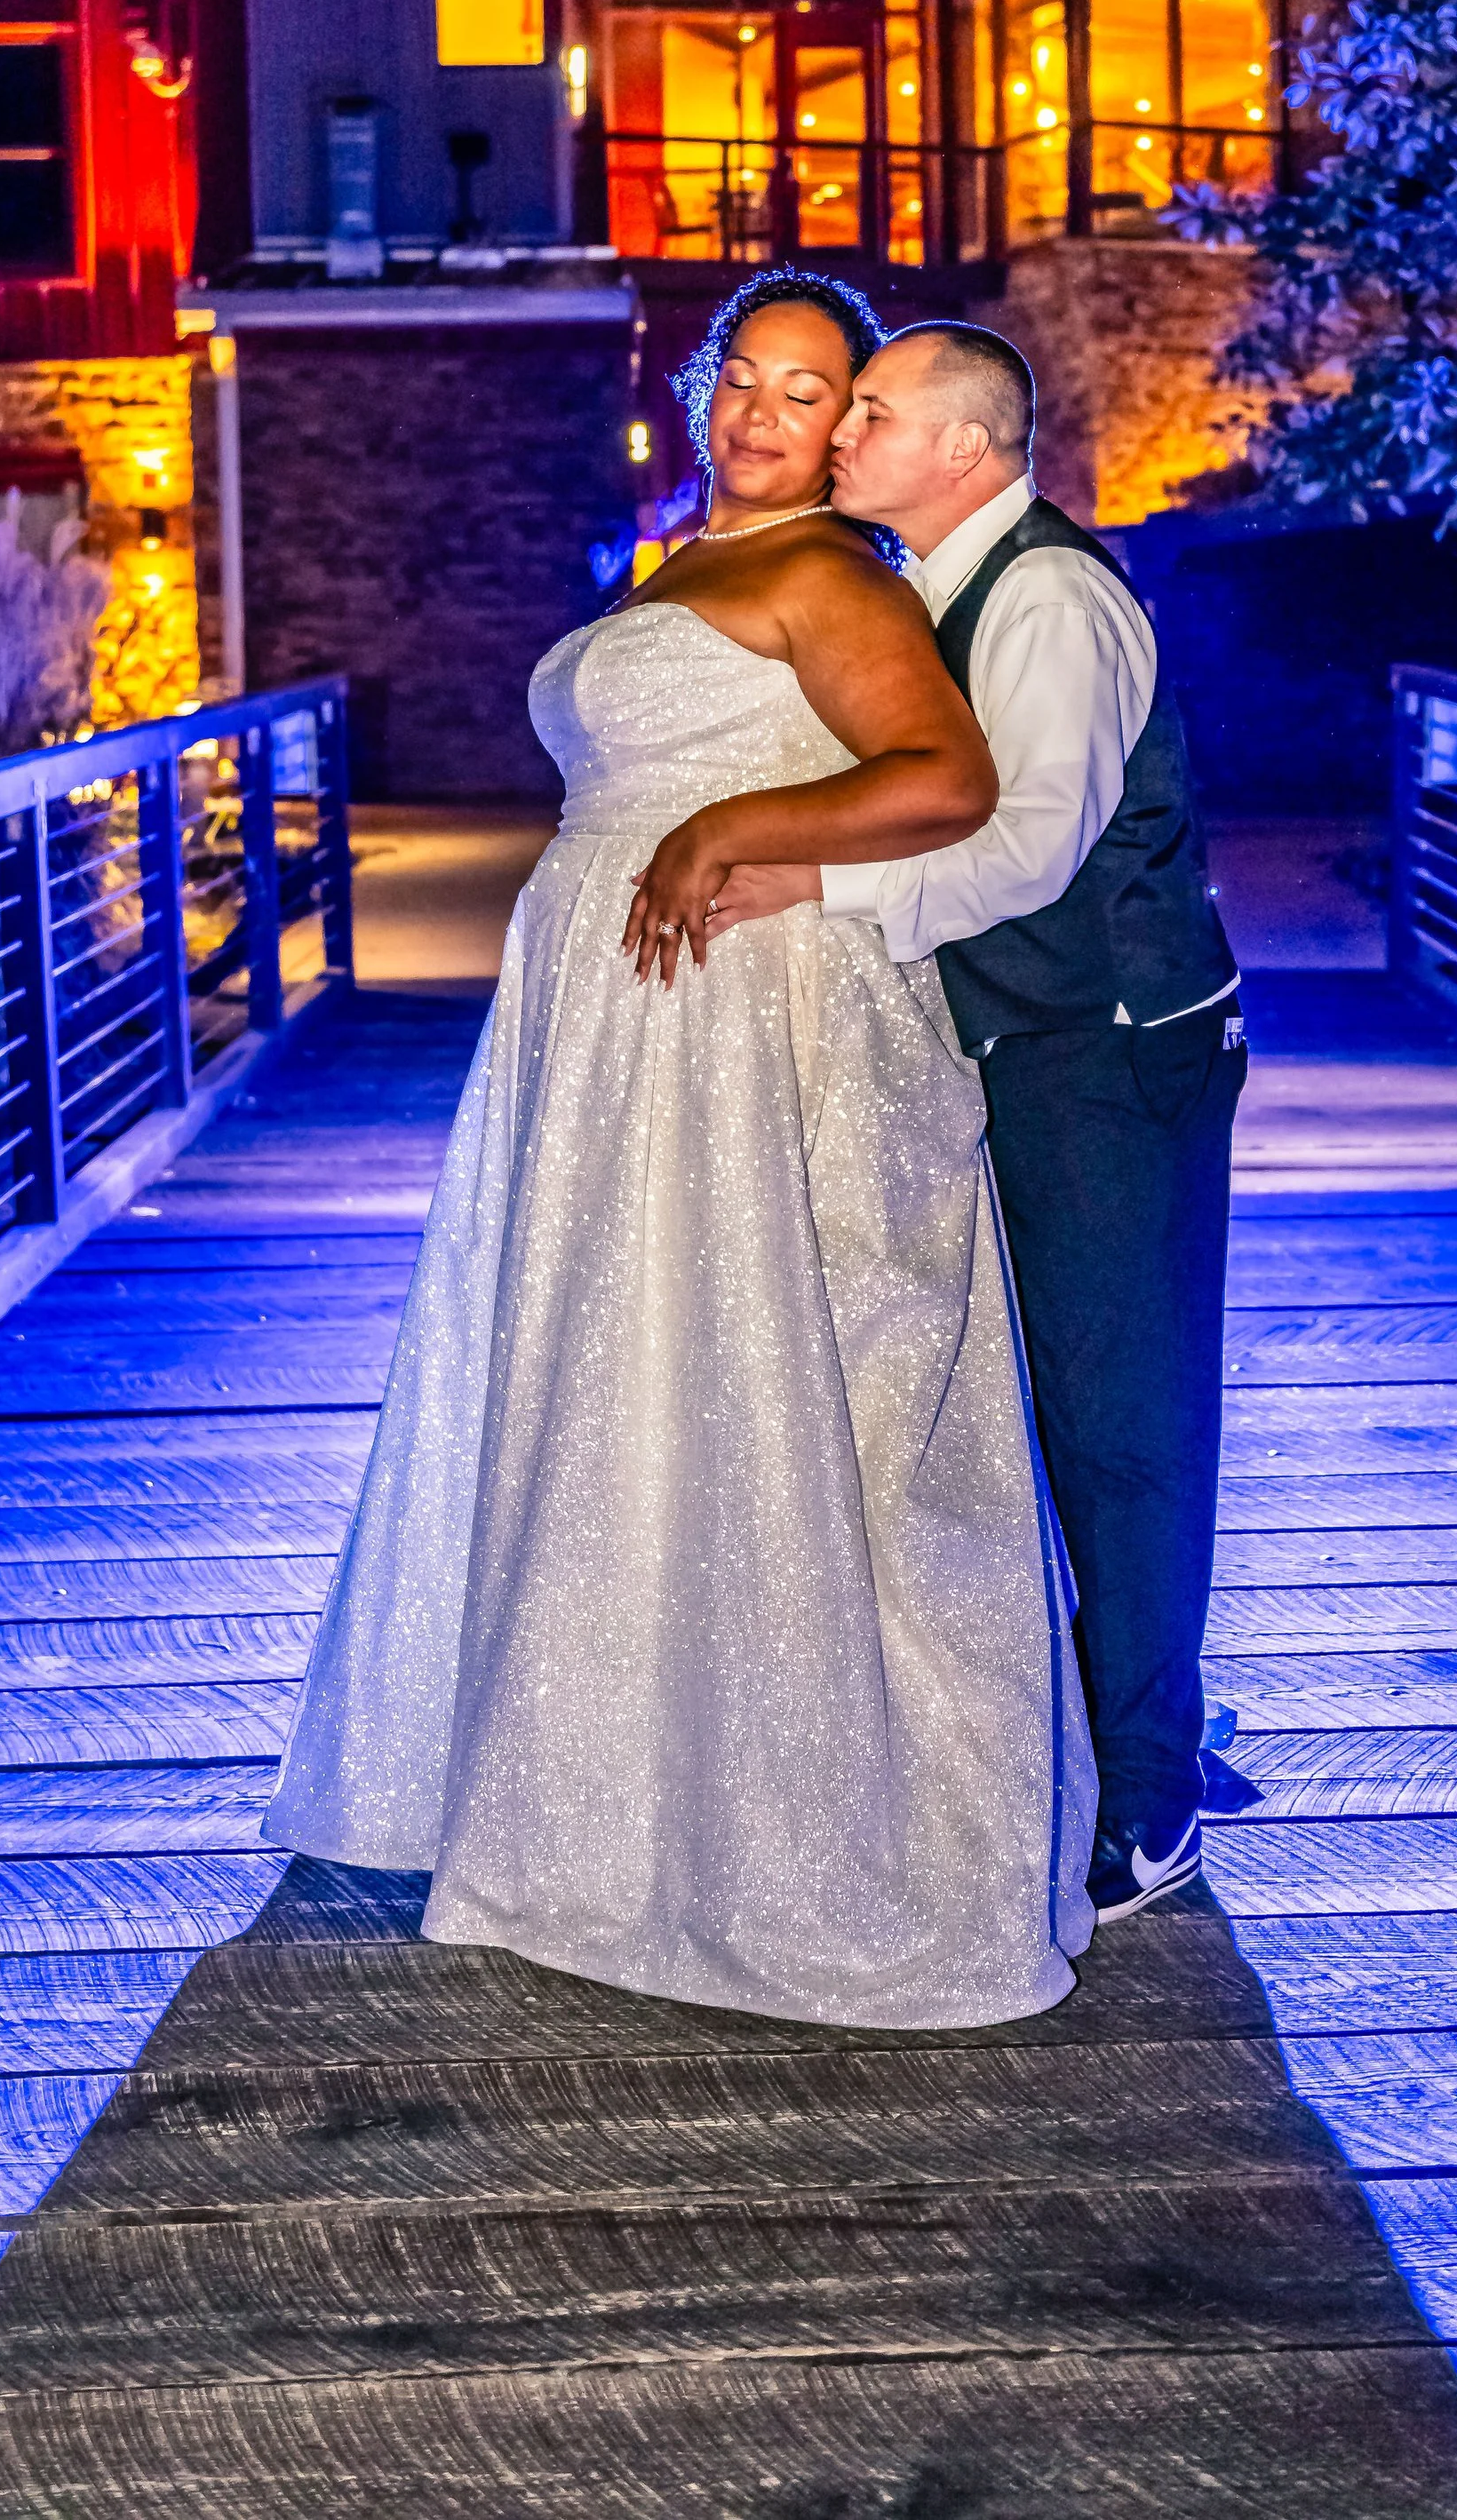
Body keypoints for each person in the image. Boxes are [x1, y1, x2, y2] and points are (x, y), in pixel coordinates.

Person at [266, 271, 1096, 2029]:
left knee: (761, 1377)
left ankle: (795, 1831)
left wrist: (737, 818)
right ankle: (587, 1792)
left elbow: (944, 777)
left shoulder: (816, 572)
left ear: (842, 430)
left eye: (807, 397)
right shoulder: (680, 561)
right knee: (619, 1377)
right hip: (612, 1021)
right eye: (744, 377)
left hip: (746, 1018)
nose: (759, 415)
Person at [703, 322, 1244, 1925]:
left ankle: (1150, 1807)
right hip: (1020, 1042)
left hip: (1111, 1054)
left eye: (873, 410)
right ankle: (1081, 1737)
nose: (845, 430)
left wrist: (815, 882)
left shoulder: (1054, 597)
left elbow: (1029, 854)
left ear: (971, 447)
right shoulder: (931, 594)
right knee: (1033, 1411)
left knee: (1122, 1423)